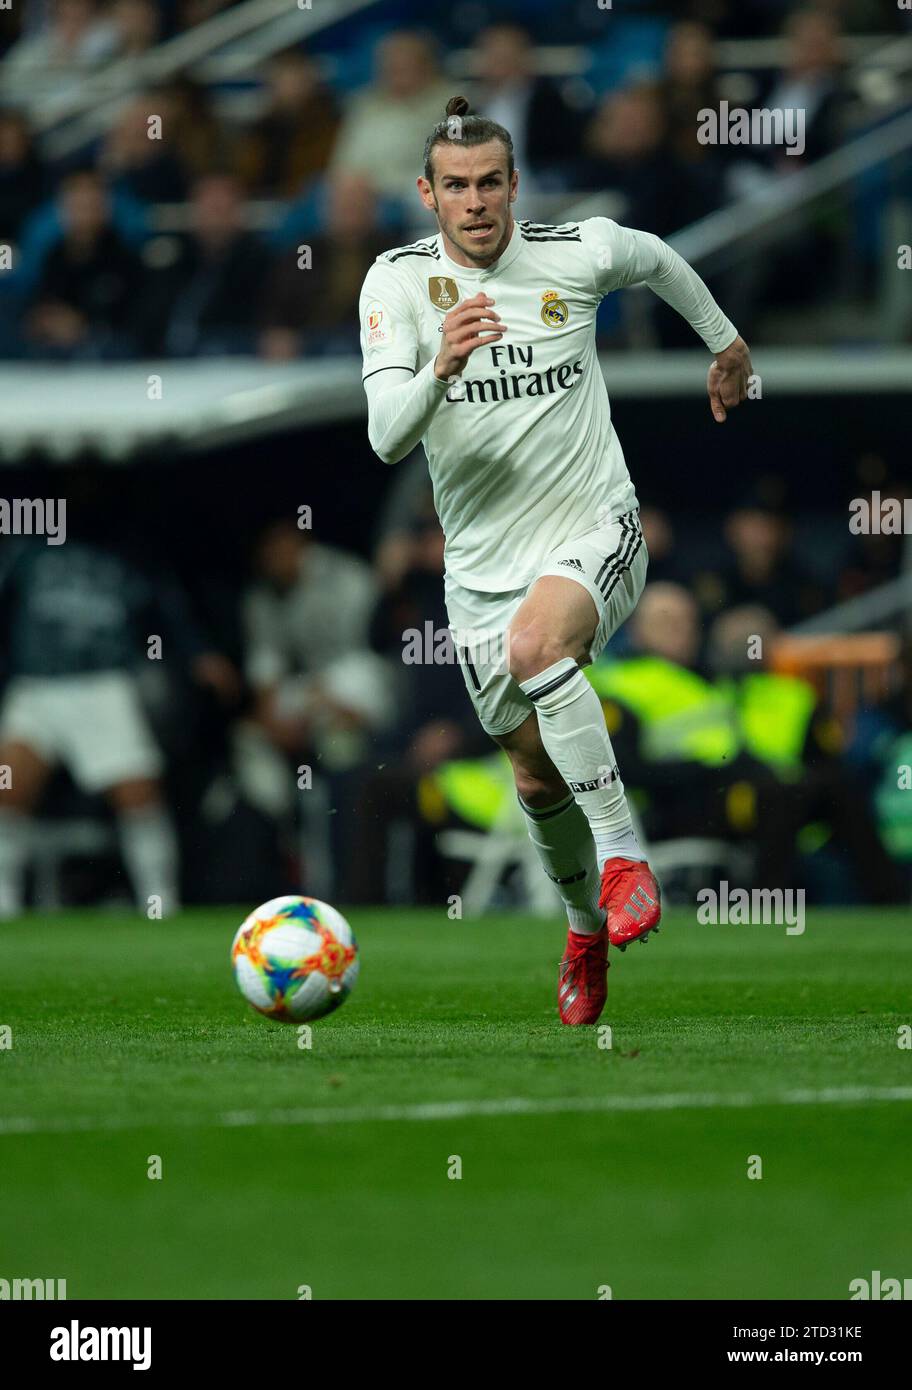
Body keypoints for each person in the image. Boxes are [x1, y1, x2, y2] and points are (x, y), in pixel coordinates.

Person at [358, 96, 753, 1025]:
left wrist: (725, 341)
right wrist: (439, 369)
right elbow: (384, 439)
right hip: (480, 575)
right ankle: (583, 929)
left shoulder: (576, 252)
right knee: (534, 779)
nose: (476, 201)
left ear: (513, 184)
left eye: (490, 181)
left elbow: (656, 257)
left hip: (596, 529)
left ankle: (626, 857)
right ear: (428, 195)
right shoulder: (397, 285)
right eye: (456, 186)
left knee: (542, 648)